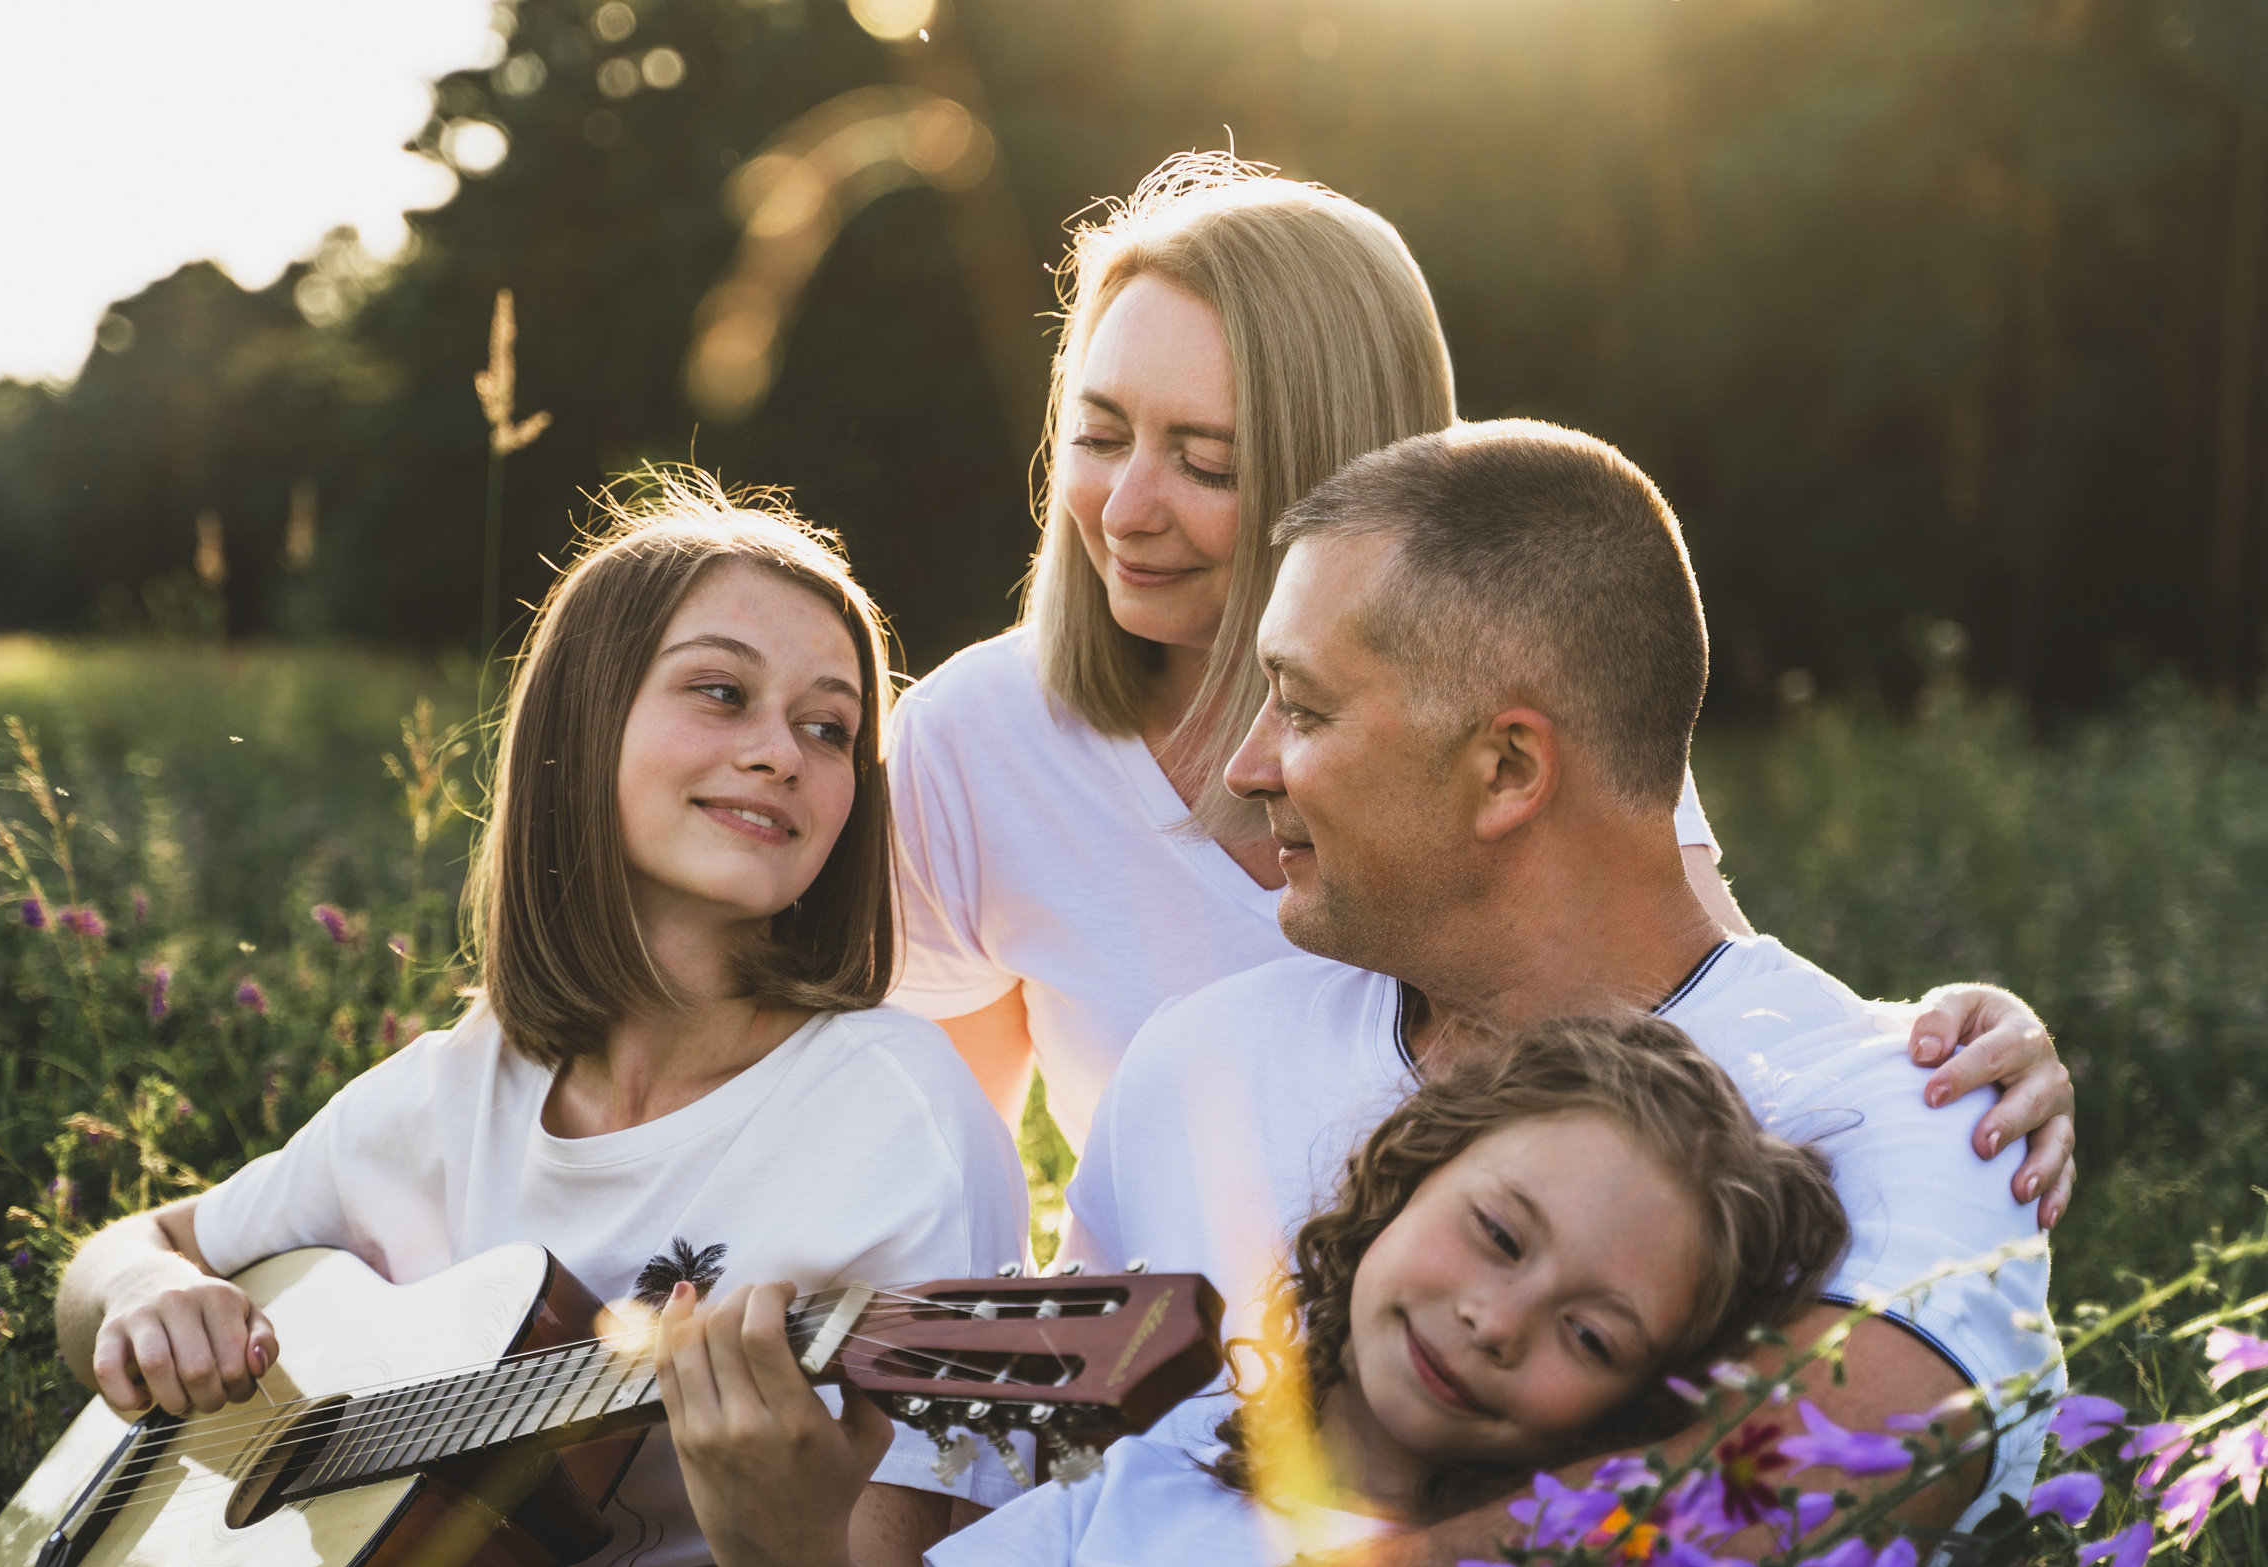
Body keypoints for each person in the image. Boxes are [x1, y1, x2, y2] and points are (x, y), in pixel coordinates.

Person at [1010, 422, 2064, 1567]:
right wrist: (808, 1562)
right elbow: (1033, 1530)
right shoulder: (1196, 1063)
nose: (1247, 766)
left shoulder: (1915, 1097)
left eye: (1304, 707)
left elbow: (1789, 1502)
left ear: (1507, 767)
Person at [887, 153, 2078, 1222]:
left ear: (1338, 472)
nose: (1126, 508)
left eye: (1207, 463)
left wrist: (1930, 1059)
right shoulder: (974, 738)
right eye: (1099, 438)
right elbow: (934, 1182)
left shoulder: (1515, 692)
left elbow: (1710, 1015)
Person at [53, 478, 1031, 1567]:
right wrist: (143, 1292)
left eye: (830, 727)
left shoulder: (897, 1116)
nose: (781, 751)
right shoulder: (455, 1087)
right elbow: (121, 1256)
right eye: (720, 691)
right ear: (583, 718)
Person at [917, 1015, 1852, 1567]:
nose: (1497, 1322)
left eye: (1592, 1337)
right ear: (1410, 1171)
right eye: (1499, 1235)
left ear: (1639, 1402)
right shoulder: (1116, 1494)